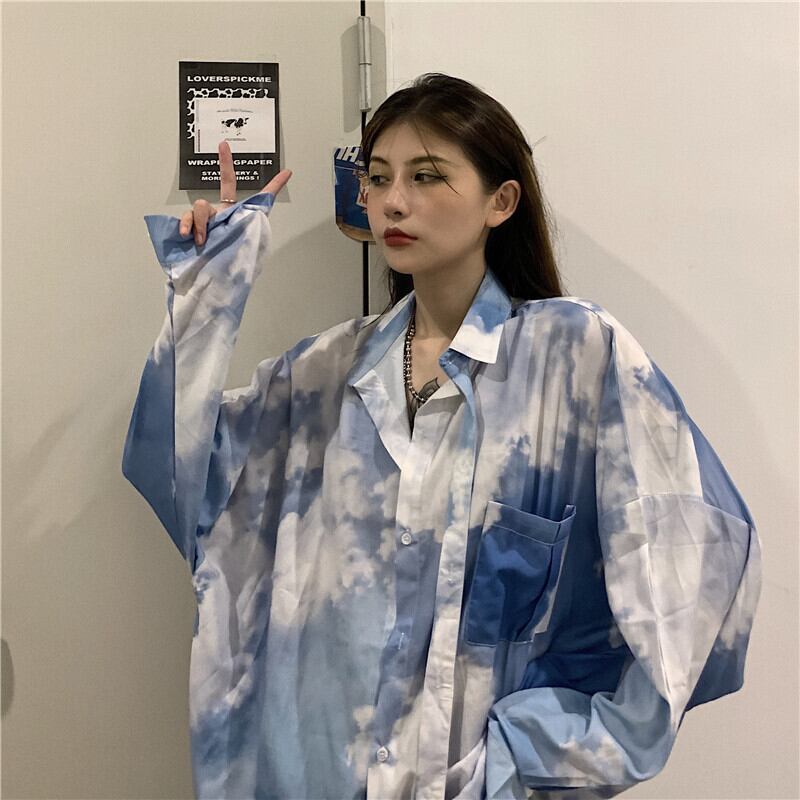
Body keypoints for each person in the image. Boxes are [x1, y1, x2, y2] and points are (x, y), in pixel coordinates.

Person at [122, 73, 761, 800]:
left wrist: (534, 757)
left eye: (426, 176)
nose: (394, 201)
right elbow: (182, 481)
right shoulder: (321, 375)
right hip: (317, 775)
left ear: (501, 201)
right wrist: (209, 291)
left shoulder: (574, 359)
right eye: (378, 177)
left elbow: (697, 567)